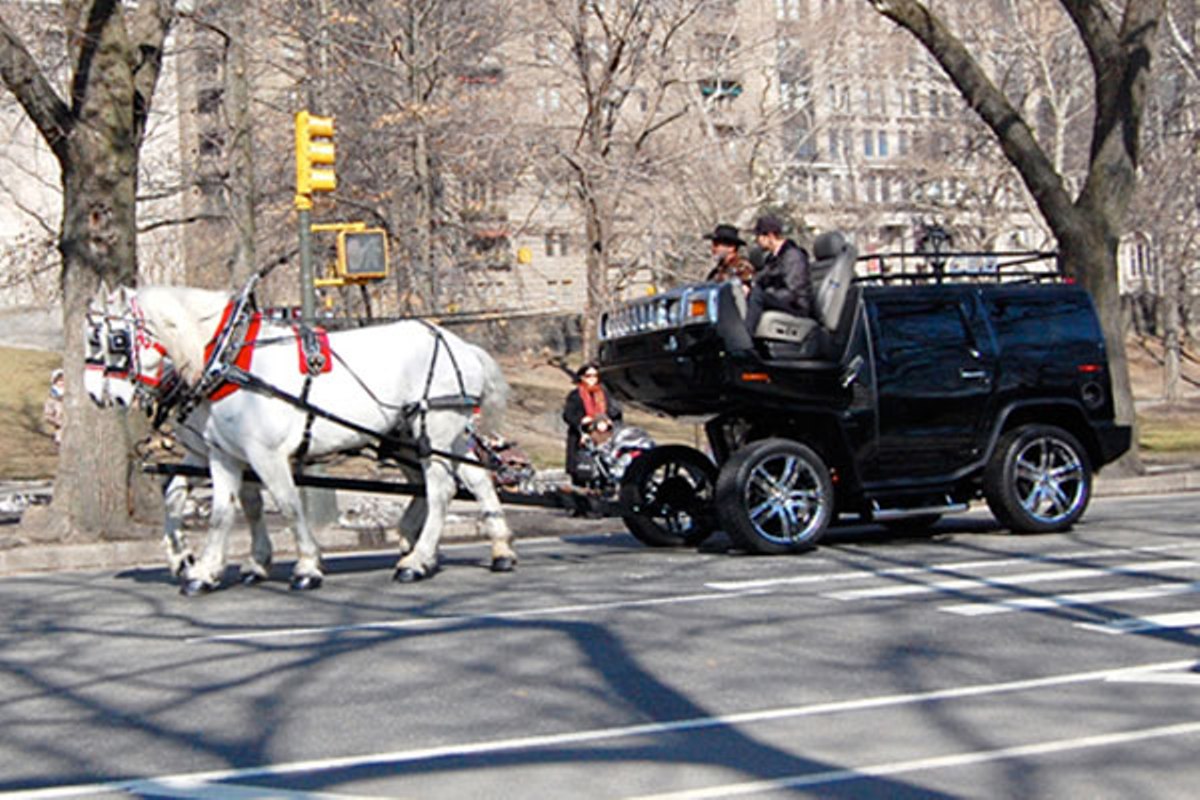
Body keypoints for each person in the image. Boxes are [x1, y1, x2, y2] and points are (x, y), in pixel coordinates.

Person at [744, 214, 815, 335]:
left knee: (757, 295)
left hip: (796, 306)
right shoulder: (772, 259)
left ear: (770, 236)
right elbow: (761, 279)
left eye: (759, 236)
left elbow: (794, 291)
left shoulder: (793, 256)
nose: (757, 240)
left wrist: (768, 295)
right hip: (781, 300)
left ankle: (745, 338)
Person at [562, 363, 623, 487]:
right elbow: (568, 415)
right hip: (582, 437)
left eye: (595, 376)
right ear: (582, 377)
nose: (592, 379)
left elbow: (616, 413)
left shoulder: (606, 394)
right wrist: (582, 420)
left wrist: (609, 420)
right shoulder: (576, 395)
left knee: (605, 470)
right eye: (589, 376)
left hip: (604, 437)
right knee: (582, 471)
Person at [703, 223, 755, 288]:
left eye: (716, 245)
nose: (713, 249)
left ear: (731, 247)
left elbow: (745, 293)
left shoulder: (742, 268)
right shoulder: (717, 270)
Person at [42, 369, 65, 446]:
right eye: (59, 381)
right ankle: (58, 438)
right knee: (59, 426)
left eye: (63, 381)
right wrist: (57, 421)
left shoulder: (68, 392)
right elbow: (47, 415)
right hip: (58, 417)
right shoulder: (52, 395)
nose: (61, 383)